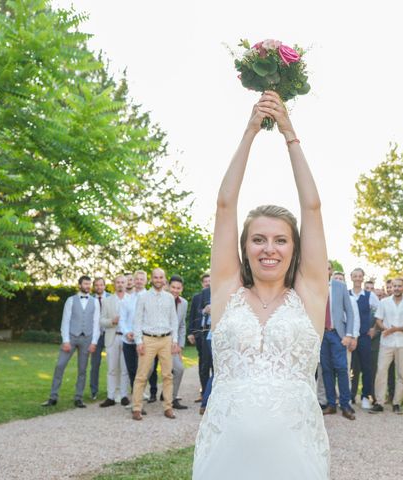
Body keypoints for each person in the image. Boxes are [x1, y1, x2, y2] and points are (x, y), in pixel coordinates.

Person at [193, 92, 330, 479]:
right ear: (245, 247)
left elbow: (313, 209)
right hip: (225, 454)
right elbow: (224, 206)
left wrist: (290, 134)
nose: (269, 249)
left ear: (294, 247)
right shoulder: (226, 291)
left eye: (281, 240)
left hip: (296, 454)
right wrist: (250, 131)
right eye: (258, 239)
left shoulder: (310, 294)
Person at [42, 275, 100, 408]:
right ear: (79, 285)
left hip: (87, 339)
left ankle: (78, 398)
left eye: (89, 284)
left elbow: (96, 323)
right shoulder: (70, 300)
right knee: (60, 366)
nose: (88, 286)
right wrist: (66, 340)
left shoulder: (95, 301)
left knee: (82, 369)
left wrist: (94, 342)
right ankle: (53, 397)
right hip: (71, 337)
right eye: (85, 284)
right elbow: (65, 321)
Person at [131, 268, 179, 420]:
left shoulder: (169, 298)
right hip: (148, 339)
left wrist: (175, 340)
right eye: (156, 277)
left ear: (165, 279)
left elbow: (174, 320)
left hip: (166, 340)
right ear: (151, 279)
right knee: (142, 375)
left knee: (168, 375)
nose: (158, 280)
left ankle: (168, 407)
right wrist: (139, 341)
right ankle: (137, 408)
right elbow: (137, 320)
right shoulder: (143, 297)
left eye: (161, 277)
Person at [370, 278, 403, 414]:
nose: (396, 288)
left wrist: (396, 329)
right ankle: (379, 402)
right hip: (386, 342)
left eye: (399, 286)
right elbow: (378, 319)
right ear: (391, 287)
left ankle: (397, 403)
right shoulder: (384, 302)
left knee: (401, 373)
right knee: (381, 371)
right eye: (394, 286)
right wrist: (385, 328)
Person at [317, 261, 355, 420]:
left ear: (331, 270)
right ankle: (331, 404)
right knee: (326, 370)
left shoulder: (340, 287)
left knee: (341, 369)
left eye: (327, 267)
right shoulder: (313, 287)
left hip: (337, 334)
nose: (324, 270)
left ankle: (345, 405)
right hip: (321, 335)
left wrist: (348, 334)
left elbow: (350, 312)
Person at [150, 275, 189, 409]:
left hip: (172, 343)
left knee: (179, 369)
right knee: (147, 370)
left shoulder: (184, 303)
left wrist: (180, 345)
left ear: (182, 289)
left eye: (178, 288)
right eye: (173, 287)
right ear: (167, 286)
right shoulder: (158, 299)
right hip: (154, 340)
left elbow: (182, 325)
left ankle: (171, 398)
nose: (175, 290)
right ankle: (138, 400)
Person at [348, 268, 379, 409]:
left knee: (367, 367)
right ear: (351, 277)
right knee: (347, 367)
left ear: (362, 278)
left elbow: (380, 312)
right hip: (349, 336)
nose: (358, 278)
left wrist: (374, 328)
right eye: (355, 276)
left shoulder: (369, 296)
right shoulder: (346, 294)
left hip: (365, 336)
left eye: (360, 276)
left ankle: (365, 396)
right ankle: (348, 396)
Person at [99, 275, 132, 407]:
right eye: (118, 282)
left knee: (125, 368)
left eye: (122, 282)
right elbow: (101, 320)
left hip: (126, 338)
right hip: (112, 337)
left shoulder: (132, 300)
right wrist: (112, 321)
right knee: (112, 369)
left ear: (126, 284)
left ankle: (124, 395)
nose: (120, 284)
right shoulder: (107, 301)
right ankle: (110, 396)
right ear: (114, 284)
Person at [89, 277, 109, 400]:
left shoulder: (112, 298)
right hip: (96, 336)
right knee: (95, 364)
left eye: (101, 285)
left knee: (114, 364)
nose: (99, 287)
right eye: (96, 285)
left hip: (110, 334)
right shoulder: (90, 300)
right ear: (94, 287)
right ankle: (94, 391)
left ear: (104, 286)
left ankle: (113, 391)